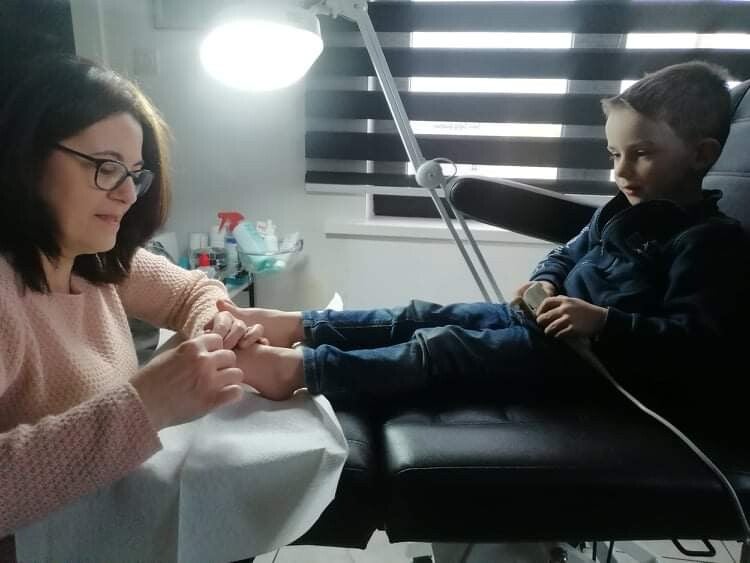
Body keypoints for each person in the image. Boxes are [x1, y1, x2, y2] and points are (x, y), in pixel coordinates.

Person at [220, 61, 750, 406]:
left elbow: (695, 346)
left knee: (446, 348)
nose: (621, 171)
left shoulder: (708, 243)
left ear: (701, 155)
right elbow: (567, 253)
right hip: (546, 329)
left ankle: (300, 370)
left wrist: (605, 322)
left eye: (642, 154)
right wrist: (545, 279)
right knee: (426, 315)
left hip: (595, 369)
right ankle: (300, 325)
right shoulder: (620, 211)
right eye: (614, 154)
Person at [0, 55, 266, 546]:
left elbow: (194, 290)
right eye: (106, 167)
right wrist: (147, 404)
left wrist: (213, 322)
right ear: (27, 158)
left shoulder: (96, 263)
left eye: (136, 175)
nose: (127, 194)